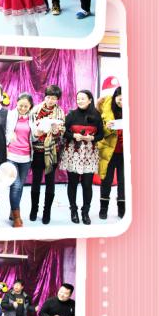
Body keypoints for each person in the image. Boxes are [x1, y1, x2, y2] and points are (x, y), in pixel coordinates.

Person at [60, 89, 104, 225]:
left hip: (89, 154)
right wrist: (73, 135)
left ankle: (85, 212)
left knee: (87, 184)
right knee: (72, 183)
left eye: (83, 98)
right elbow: (63, 132)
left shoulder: (96, 115)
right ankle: (73, 210)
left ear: (90, 100)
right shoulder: (71, 114)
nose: (79, 101)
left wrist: (92, 138)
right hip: (73, 152)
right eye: (78, 98)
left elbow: (101, 135)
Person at [29, 85, 66, 224]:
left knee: (50, 182)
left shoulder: (60, 112)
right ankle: (34, 209)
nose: (50, 100)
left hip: (52, 151)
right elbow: (30, 129)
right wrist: (37, 131)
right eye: (48, 97)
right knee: (36, 181)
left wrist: (57, 131)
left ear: (57, 99)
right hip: (37, 150)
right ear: (45, 97)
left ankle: (47, 212)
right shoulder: (35, 110)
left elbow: (62, 131)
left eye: (54, 98)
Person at [6, 93, 35, 227]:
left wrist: (39, 133)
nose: (22, 108)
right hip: (11, 155)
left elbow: (33, 137)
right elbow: (5, 132)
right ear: (16, 103)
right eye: (20, 105)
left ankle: (13, 211)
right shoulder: (10, 115)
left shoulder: (32, 117)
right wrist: (9, 136)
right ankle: (17, 216)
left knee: (20, 186)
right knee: (15, 186)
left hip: (26, 157)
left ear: (30, 106)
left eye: (26, 106)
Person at [97, 84, 125, 219]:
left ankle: (122, 208)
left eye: (125, 99)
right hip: (108, 151)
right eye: (120, 99)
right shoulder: (106, 108)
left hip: (125, 153)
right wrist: (107, 127)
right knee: (106, 180)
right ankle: (103, 208)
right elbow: (99, 130)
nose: (122, 102)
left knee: (123, 182)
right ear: (115, 98)